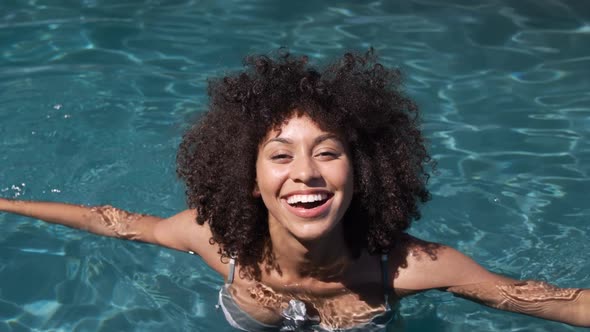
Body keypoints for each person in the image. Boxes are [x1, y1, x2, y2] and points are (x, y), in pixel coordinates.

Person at [0, 50, 588, 331]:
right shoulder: (215, 241)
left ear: (364, 172)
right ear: (249, 180)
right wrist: (5, 203)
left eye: (328, 152)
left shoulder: (406, 267)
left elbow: (541, 298)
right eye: (280, 155)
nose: (305, 172)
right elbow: (115, 220)